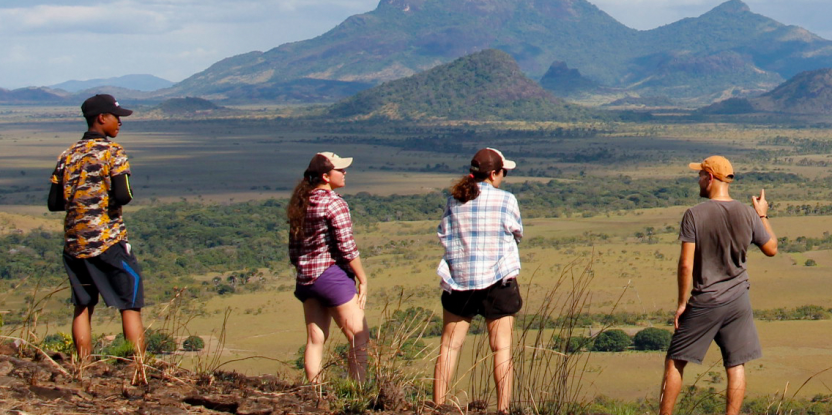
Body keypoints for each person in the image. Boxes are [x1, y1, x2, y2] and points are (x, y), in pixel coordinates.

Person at [660, 156, 777, 415]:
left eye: (701, 175)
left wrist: (682, 304)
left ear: (710, 178)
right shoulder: (748, 214)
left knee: (676, 360)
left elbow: (686, 265)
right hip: (738, 301)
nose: (699, 180)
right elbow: (772, 248)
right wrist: (761, 214)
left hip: (706, 299)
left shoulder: (694, 214)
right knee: (735, 365)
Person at [47, 94, 145, 362]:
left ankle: (82, 367)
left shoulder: (68, 154)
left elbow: (54, 203)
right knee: (130, 302)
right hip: (108, 239)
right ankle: (139, 369)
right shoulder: (113, 152)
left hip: (75, 242)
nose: (120, 123)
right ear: (102, 118)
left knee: (82, 305)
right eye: (117, 117)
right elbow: (124, 195)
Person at [433, 148, 523, 414]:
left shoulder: (454, 200)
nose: (503, 177)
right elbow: (517, 232)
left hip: (459, 279)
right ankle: (503, 408)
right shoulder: (506, 200)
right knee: (502, 347)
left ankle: (439, 405)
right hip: (498, 280)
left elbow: (443, 233)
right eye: (502, 172)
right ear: (494, 173)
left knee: (449, 346)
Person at [288, 152, 370, 383]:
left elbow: (293, 249)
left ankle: (314, 393)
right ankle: (357, 393)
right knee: (359, 337)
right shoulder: (334, 203)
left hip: (306, 279)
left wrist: (305, 270)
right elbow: (347, 248)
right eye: (340, 170)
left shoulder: (301, 202)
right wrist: (362, 279)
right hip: (331, 276)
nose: (344, 173)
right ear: (326, 176)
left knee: (315, 339)